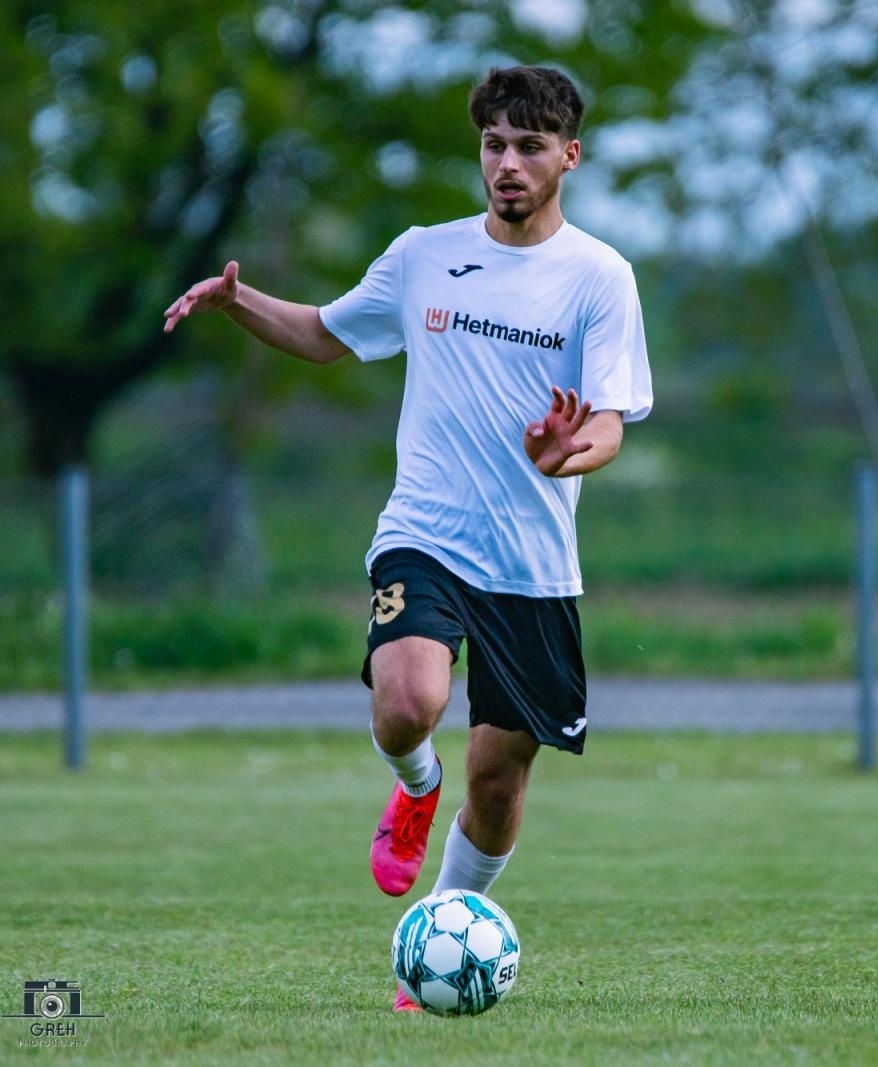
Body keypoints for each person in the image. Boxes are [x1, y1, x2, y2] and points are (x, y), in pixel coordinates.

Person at [163, 65, 653, 1011]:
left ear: (569, 157)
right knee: (409, 703)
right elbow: (326, 333)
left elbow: (611, 423)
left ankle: (438, 931)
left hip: (532, 561)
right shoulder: (425, 254)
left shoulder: (600, 276)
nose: (507, 164)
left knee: (500, 775)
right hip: (425, 531)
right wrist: (239, 302)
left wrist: (567, 453)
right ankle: (412, 783)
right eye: (493, 145)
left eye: (529, 147)